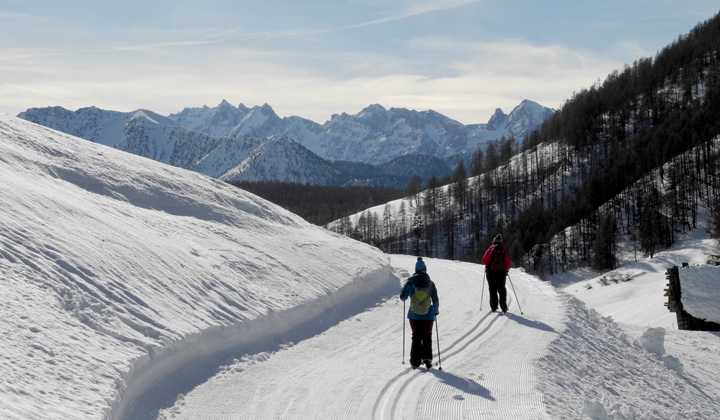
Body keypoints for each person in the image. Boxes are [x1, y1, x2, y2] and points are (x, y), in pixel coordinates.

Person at [400, 257, 439, 369]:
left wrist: (404, 289)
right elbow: (435, 299)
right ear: (425, 269)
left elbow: (403, 298)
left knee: (416, 337)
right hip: (428, 316)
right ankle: (427, 359)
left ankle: (414, 362)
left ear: (416, 269)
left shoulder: (410, 282)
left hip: (414, 316)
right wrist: (435, 311)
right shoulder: (430, 283)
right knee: (427, 337)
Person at [481, 234, 512, 313]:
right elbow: (508, 264)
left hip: (491, 272)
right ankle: (504, 307)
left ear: (493, 241)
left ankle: (494, 307)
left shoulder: (490, 249)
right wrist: (505, 270)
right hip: (501, 273)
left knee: (492, 289)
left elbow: (484, 261)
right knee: (502, 289)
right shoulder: (503, 250)